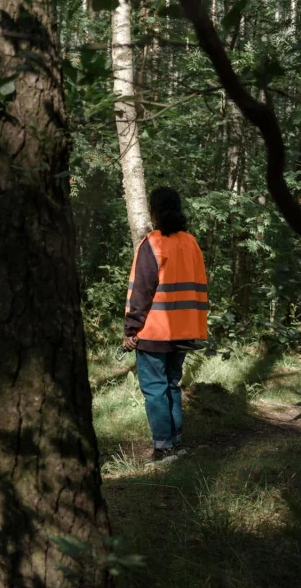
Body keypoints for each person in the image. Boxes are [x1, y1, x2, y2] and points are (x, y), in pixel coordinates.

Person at [123, 187, 208, 460]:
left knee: (156, 389)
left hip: (153, 332)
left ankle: (163, 446)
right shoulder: (191, 243)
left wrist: (131, 329)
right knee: (171, 385)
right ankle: (176, 440)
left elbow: (141, 291)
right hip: (184, 331)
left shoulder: (152, 244)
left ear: (154, 211)